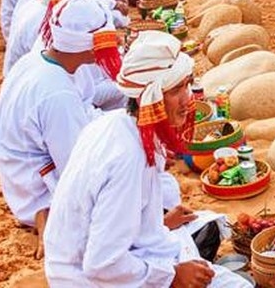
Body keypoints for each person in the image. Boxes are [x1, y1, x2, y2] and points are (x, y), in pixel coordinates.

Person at [43, 31, 250, 287]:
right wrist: (173, 276)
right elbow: (102, 263)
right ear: (150, 99)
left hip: (120, 257)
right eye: (175, 90)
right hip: (91, 279)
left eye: (187, 85)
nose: (188, 99)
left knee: (207, 230)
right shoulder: (127, 157)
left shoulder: (117, 123)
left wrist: (159, 224)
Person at [0, 0, 116, 258]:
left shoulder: (38, 62)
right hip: (38, 190)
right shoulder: (57, 92)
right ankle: (49, 217)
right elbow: (76, 169)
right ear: (88, 44)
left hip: (21, 176)